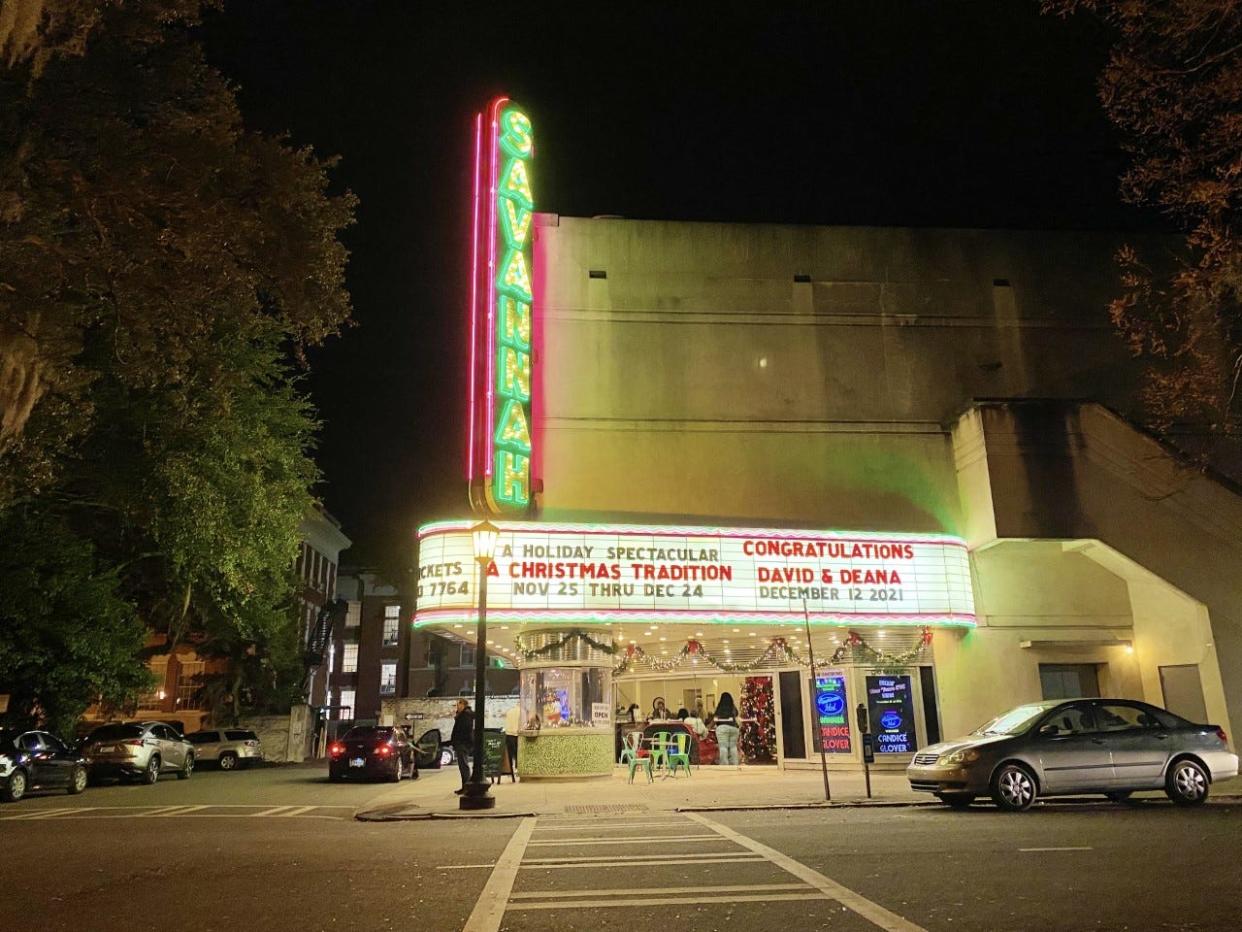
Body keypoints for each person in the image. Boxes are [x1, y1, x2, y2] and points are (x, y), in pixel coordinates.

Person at [451, 698, 474, 795]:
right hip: (461, 743)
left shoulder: (465, 715)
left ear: (463, 705)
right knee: (462, 766)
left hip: (462, 743)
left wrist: (458, 741)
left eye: (458, 705)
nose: (457, 707)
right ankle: (465, 786)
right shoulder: (463, 715)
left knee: (464, 766)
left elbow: (464, 730)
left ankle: (467, 787)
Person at [714, 692, 740, 767]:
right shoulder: (733, 707)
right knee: (733, 747)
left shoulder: (720, 707)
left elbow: (715, 718)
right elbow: (737, 714)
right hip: (734, 728)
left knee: (723, 746)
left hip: (722, 728)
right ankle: (735, 763)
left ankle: (724, 764)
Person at [503, 702, 521, 777]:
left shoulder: (509, 711)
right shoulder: (522, 711)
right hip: (518, 734)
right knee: (518, 753)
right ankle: (518, 768)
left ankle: (509, 770)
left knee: (510, 753)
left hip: (509, 733)